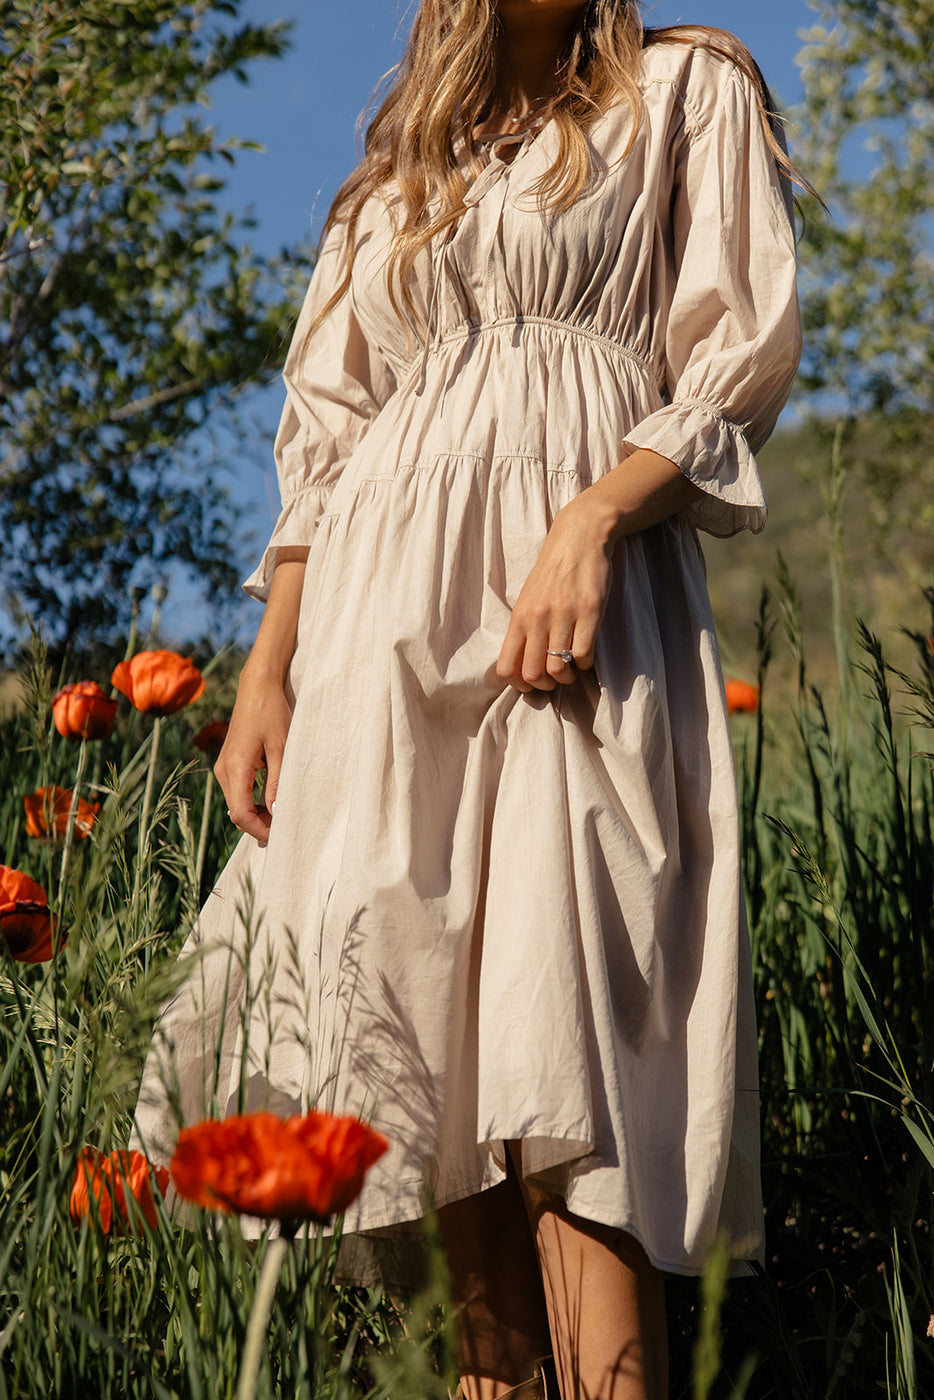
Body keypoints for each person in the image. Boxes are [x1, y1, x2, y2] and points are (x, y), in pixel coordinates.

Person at [132, 2, 802, 1396]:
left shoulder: (682, 89)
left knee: (570, 1057)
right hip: (372, 628)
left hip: (574, 607)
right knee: (413, 1063)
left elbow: (733, 355)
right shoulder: (393, 178)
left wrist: (592, 522)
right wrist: (268, 672)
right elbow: (323, 444)